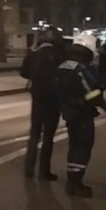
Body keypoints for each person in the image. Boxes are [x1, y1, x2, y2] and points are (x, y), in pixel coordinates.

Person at [57, 32, 106, 197]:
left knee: (74, 147)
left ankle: (72, 181)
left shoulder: (64, 64)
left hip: (68, 111)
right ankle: (75, 184)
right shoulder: (83, 68)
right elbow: (93, 94)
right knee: (83, 148)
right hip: (81, 113)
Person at [20, 26, 64, 181]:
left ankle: (29, 168)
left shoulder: (34, 54)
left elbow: (23, 72)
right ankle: (44, 171)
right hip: (53, 99)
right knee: (48, 136)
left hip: (37, 97)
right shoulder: (60, 55)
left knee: (34, 134)